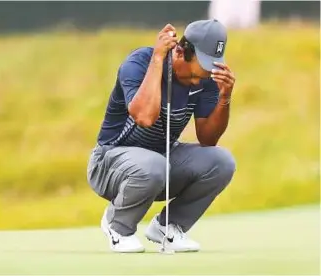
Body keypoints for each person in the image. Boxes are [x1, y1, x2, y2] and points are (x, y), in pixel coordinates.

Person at [87, 19, 236, 253]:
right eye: (204, 61)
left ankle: (168, 227)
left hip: (160, 162)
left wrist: (224, 98)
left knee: (221, 161)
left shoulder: (206, 81)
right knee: (155, 165)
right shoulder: (140, 62)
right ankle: (118, 226)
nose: (209, 70)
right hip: (109, 164)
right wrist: (157, 60)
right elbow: (144, 117)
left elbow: (208, 139)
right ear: (181, 51)